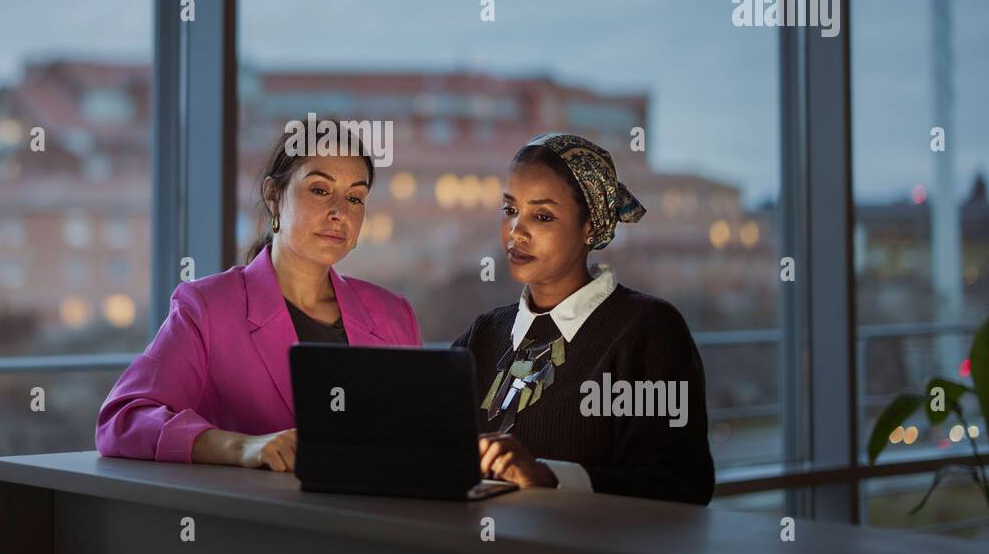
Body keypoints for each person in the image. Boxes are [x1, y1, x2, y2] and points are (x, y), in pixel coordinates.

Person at [96, 125, 422, 472]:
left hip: (376, 522)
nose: (339, 212)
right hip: (257, 520)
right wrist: (241, 447)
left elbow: (424, 437)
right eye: (319, 189)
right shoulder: (207, 308)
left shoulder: (393, 315)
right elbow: (122, 421)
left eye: (354, 197)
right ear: (273, 196)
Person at [453, 132, 715, 505]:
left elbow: (683, 484)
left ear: (590, 226)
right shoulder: (483, 334)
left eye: (542, 216)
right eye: (510, 210)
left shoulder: (648, 331)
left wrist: (551, 477)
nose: (516, 231)